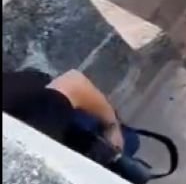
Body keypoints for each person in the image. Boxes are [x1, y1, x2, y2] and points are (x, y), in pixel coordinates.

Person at [2, 68, 137, 159]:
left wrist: (112, 126)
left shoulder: (27, 131)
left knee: (126, 145)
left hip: (78, 120)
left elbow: (74, 84)